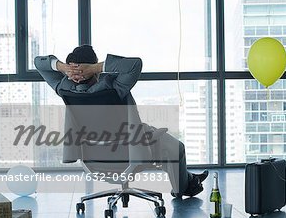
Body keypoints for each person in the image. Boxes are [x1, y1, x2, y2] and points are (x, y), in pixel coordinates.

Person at [34, 45, 208, 197]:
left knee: (158, 141)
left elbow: (38, 62)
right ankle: (184, 188)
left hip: (94, 155)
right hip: (129, 150)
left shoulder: (64, 88)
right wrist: (96, 68)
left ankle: (190, 179)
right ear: (93, 68)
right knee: (176, 149)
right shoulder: (114, 86)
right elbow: (134, 64)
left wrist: (62, 67)